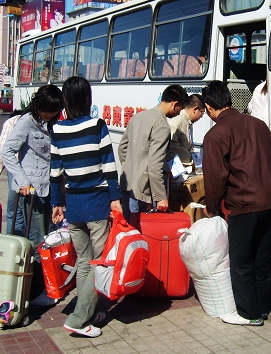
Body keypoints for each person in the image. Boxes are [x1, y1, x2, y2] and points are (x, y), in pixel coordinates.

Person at [202, 80, 271, 327]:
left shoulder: (215, 135)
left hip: (245, 204)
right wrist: (262, 173)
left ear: (208, 107)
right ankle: (262, 307)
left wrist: (212, 206)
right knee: (262, 259)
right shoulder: (257, 124)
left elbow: (216, 178)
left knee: (241, 261)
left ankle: (249, 314)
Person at [49, 77, 122, 338]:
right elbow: (109, 165)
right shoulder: (97, 125)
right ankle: (79, 319)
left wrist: (56, 203)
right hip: (97, 203)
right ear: (87, 98)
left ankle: (89, 312)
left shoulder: (57, 130)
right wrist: (115, 198)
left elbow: (55, 172)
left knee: (83, 262)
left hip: (74, 205)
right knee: (97, 262)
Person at [2, 84, 64, 307]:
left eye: (55, 111)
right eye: (48, 110)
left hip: (51, 188)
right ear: (40, 106)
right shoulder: (27, 121)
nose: (51, 114)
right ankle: (36, 288)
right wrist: (22, 181)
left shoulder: (55, 123)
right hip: (32, 190)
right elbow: (7, 151)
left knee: (50, 236)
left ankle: (46, 284)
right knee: (38, 240)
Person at [117, 84, 188, 230]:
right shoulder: (162, 125)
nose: (178, 114)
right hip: (141, 190)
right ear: (175, 104)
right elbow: (155, 164)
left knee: (127, 232)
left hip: (126, 183)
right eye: (179, 110)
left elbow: (122, 149)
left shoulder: (138, 117)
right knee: (138, 232)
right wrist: (161, 197)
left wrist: (132, 168)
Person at [168, 94, 205, 166]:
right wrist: (190, 159)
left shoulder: (188, 122)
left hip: (186, 166)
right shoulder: (177, 120)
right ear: (195, 109)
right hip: (175, 167)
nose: (201, 117)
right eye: (202, 113)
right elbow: (172, 148)